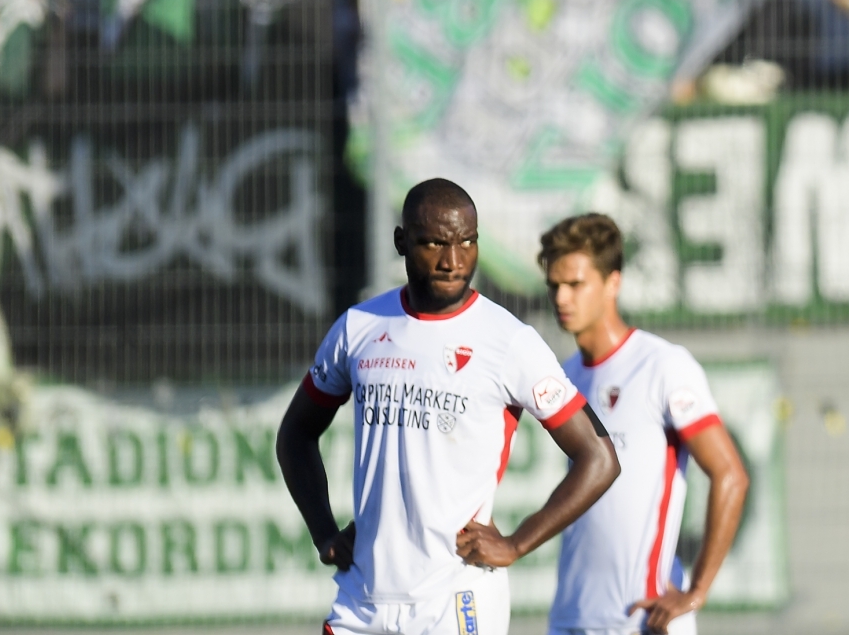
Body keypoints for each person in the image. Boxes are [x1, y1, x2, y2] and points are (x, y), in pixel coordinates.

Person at [276, 179, 620, 635]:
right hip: (363, 600)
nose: (453, 260)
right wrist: (323, 532)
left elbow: (599, 458)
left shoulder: (507, 340)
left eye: (467, 242)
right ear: (401, 242)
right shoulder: (358, 327)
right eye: (434, 242)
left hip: (456, 601)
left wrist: (517, 543)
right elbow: (295, 435)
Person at [539, 214, 750, 635]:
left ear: (613, 283)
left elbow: (731, 474)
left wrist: (696, 590)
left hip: (644, 619)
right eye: (554, 285)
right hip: (572, 617)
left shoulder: (662, 366)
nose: (562, 297)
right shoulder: (563, 376)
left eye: (576, 284)